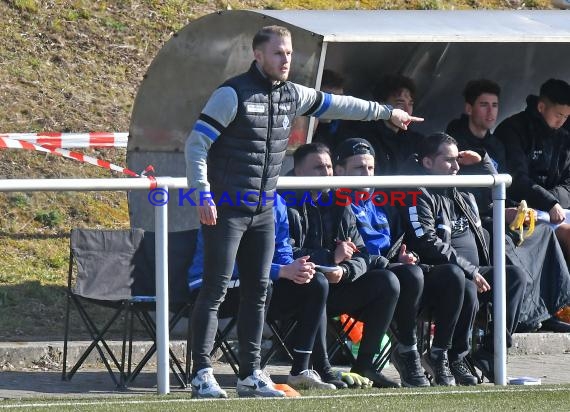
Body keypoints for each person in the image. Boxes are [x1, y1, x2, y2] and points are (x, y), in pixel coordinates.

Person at [184, 25, 422, 398]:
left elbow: (341, 104)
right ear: (258, 55)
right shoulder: (232, 93)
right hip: (227, 208)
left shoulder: (293, 95)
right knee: (215, 290)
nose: (285, 60)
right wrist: (202, 193)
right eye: (278, 53)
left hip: (263, 207)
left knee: (259, 291)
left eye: (289, 54)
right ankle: (201, 373)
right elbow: (197, 143)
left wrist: (386, 113)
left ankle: (250, 373)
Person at [333, 138, 477, 386]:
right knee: (408, 276)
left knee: (455, 276)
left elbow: (404, 242)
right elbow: (353, 255)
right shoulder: (334, 204)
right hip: (361, 281)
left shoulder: (384, 201)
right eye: (359, 168)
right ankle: (408, 351)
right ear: (340, 171)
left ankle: (440, 354)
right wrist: (390, 263)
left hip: (394, 274)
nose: (367, 174)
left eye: (370, 168)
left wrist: (406, 256)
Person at [400, 132, 527, 383]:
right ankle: (452, 356)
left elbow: (496, 186)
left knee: (514, 277)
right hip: (439, 275)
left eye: (458, 160)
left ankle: (489, 352)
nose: (457, 167)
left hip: (472, 271)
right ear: (427, 163)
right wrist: (470, 269)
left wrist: (482, 160)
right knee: (465, 282)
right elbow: (426, 240)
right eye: (449, 161)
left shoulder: (462, 191)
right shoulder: (418, 192)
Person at [187, 193, 343, 395]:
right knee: (262, 284)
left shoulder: (277, 202)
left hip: (260, 283)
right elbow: (230, 263)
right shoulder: (228, 197)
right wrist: (281, 271)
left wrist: (298, 268)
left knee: (316, 283)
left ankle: (300, 372)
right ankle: (241, 372)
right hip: (212, 284)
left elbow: (281, 250)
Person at [447, 79, 570, 333]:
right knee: (521, 240)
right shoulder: (454, 141)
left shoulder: (494, 144)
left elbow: (505, 183)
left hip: (506, 211)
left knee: (542, 234)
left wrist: (513, 209)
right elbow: (460, 192)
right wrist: (501, 210)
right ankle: (524, 314)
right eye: (484, 105)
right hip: (472, 220)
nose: (491, 111)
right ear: (469, 108)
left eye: (495, 105)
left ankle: (545, 310)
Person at [282, 142, 403, 388]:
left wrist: (345, 270)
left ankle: (366, 365)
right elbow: (284, 253)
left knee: (388, 281)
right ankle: (323, 369)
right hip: (292, 288)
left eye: (328, 167)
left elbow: (360, 253)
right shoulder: (283, 201)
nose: (326, 173)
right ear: (298, 173)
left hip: (336, 284)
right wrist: (330, 259)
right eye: (318, 168)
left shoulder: (340, 202)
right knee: (317, 283)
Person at [495, 79, 570, 258]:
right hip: (521, 211)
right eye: (558, 114)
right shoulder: (513, 129)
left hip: (558, 209)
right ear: (541, 107)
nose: (562, 121)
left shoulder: (565, 136)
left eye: (567, 116)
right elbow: (516, 179)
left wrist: (553, 202)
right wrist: (548, 203)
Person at [336, 74, 425, 175]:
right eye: (400, 103)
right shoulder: (361, 136)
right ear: (382, 105)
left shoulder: (417, 141)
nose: (407, 110)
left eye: (410, 104)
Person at [312, 69, 346, 147]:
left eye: (340, 99)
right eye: (329, 99)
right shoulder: (302, 124)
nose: (335, 105)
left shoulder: (339, 127)